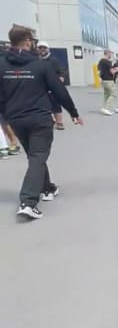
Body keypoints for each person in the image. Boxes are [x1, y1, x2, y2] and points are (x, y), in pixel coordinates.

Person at [0, 26, 83, 221]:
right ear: (27, 41)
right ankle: (28, 202)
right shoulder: (40, 65)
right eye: (33, 40)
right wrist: (74, 113)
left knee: (35, 156)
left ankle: (47, 188)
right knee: (38, 156)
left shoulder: (2, 65)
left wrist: (5, 113)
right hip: (39, 119)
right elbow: (59, 91)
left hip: (16, 119)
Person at [35, 42, 67, 129]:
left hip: (52, 86)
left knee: (55, 105)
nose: (42, 49)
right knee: (41, 105)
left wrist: (61, 78)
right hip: (39, 87)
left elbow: (61, 72)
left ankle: (59, 122)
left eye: (44, 48)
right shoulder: (35, 60)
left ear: (48, 49)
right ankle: (48, 120)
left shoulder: (54, 60)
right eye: (40, 48)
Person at [98, 49, 118, 115]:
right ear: (108, 53)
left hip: (103, 80)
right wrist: (117, 69)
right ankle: (106, 108)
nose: (111, 55)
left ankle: (104, 108)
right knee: (113, 94)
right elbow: (112, 71)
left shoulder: (101, 61)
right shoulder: (108, 62)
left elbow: (99, 69)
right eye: (111, 54)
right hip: (109, 80)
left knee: (106, 95)